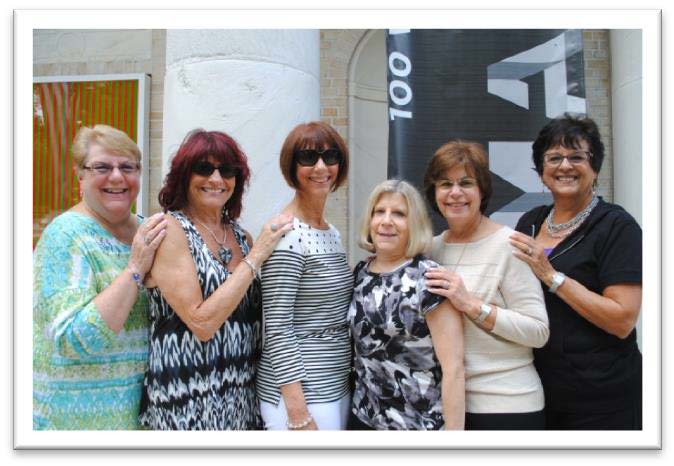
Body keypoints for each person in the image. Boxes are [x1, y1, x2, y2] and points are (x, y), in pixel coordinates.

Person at [138, 129, 293, 430]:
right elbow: (202, 323)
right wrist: (257, 256)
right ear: (184, 175)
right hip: (186, 394)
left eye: (228, 171)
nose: (217, 179)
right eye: (204, 168)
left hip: (239, 393)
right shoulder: (171, 230)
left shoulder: (241, 236)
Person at [510, 115, 642, 430]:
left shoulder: (616, 226)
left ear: (594, 168)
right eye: (554, 158)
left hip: (602, 399)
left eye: (577, 157)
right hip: (539, 392)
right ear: (541, 172)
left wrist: (551, 276)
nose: (565, 166)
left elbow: (622, 319)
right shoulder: (530, 221)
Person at [33, 124, 167, 430]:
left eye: (128, 167)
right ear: (80, 175)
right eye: (102, 167)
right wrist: (135, 269)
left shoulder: (148, 231)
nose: (117, 177)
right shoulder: (65, 236)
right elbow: (73, 339)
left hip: (137, 421)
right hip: (71, 425)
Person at [423, 139, 550, 430]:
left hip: (508, 406)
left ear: (482, 190)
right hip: (448, 407)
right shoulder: (429, 250)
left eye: (466, 183)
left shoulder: (510, 246)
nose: (455, 193)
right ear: (434, 193)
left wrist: (471, 305)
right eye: (445, 184)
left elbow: (539, 331)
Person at [256, 122, 353, 430]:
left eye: (330, 156)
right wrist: (297, 411)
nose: (321, 167)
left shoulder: (331, 232)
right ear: (292, 166)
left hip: (335, 383)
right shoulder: (287, 234)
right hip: (301, 393)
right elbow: (278, 328)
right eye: (308, 158)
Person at [347, 179, 465, 431]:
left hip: (416, 424)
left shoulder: (430, 279)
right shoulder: (361, 273)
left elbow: (453, 369)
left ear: (414, 224)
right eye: (379, 212)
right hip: (364, 418)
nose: (386, 221)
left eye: (399, 214)